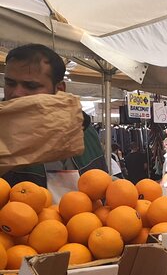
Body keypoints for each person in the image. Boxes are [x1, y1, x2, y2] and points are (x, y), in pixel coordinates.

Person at [2, 43, 106, 187]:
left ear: (59, 90)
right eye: (10, 83)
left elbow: (104, 186)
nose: (16, 93)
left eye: (31, 86)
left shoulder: (86, 132)